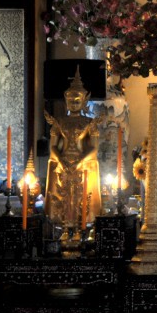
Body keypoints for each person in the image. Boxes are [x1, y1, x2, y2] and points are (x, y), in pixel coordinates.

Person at [44, 68, 104, 248]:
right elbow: (53, 147)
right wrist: (61, 161)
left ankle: (80, 231)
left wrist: (79, 162)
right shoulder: (59, 122)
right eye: (70, 99)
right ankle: (63, 230)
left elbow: (93, 149)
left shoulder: (89, 123)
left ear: (85, 100)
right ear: (65, 100)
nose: (74, 102)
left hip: (82, 165)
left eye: (77, 100)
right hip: (63, 166)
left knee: (81, 198)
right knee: (64, 200)